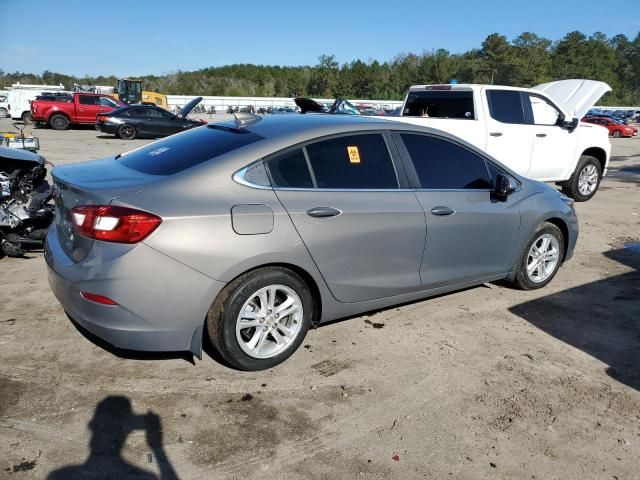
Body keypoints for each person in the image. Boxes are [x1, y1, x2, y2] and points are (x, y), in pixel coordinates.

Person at [47, 396, 178, 480]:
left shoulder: (59, 476)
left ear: (91, 426)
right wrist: (157, 447)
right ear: (127, 431)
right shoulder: (144, 477)